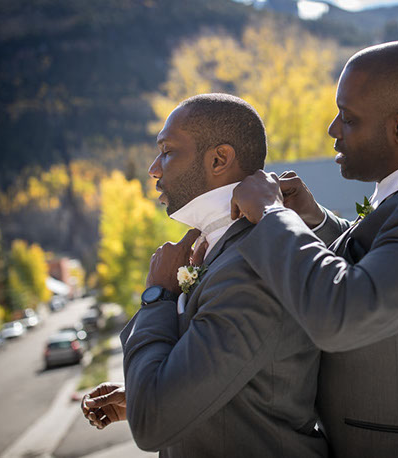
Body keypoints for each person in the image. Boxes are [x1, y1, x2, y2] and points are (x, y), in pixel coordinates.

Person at [230, 41, 398, 457]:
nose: (333, 129)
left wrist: (272, 215)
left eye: (348, 118)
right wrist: (315, 221)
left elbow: (345, 314)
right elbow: (380, 263)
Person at [81, 94, 327, 457]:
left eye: (166, 151)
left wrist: (159, 296)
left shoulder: (250, 264)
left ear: (219, 159)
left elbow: (154, 424)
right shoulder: (224, 248)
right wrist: (143, 393)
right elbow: (237, 380)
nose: (153, 168)